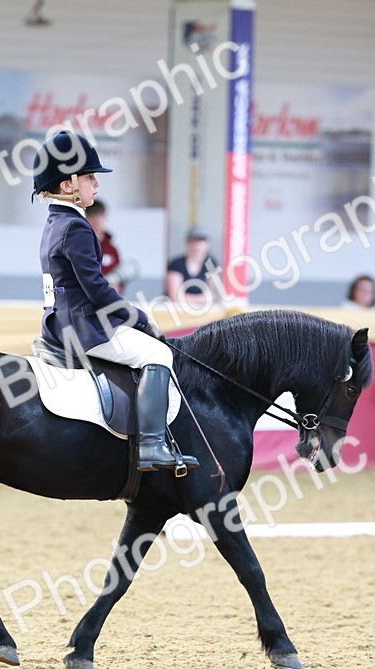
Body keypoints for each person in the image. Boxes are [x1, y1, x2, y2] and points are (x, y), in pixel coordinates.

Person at [33, 130, 195, 473]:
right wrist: (138, 316)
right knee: (158, 353)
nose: (96, 184)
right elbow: (97, 289)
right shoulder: (76, 227)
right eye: (90, 177)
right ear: (68, 185)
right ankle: (152, 446)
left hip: (59, 322)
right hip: (82, 328)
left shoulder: (55, 221)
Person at [166, 227, 221, 303]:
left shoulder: (211, 263)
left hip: (203, 310)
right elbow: (174, 296)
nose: (198, 244)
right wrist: (202, 299)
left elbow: (212, 295)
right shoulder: (176, 264)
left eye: (202, 240)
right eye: (195, 240)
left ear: (208, 244)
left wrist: (185, 298)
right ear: (188, 243)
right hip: (177, 309)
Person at [85, 200, 123, 294]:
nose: (97, 220)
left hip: (108, 299)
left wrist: (116, 287)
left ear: (105, 218)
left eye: (100, 216)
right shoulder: (80, 246)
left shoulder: (112, 250)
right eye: (92, 216)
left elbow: (120, 278)